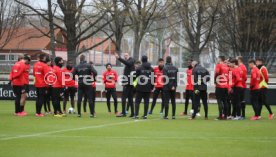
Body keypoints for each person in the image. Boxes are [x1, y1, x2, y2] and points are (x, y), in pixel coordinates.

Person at [115, 52, 135, 117]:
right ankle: (132, 113)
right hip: (129, 83)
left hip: (128, 83)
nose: (125, 56)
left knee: (123, 97)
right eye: (124, 56)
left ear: (129, 55)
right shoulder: (128, 63)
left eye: (126, 55)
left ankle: (124, 112)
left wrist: (119, 58)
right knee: (130, 98)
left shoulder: (131, 60)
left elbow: (128, 63)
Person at [214, 56, 229, 120]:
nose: (217, 60)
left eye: (218, 59)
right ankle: (225, 116)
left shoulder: (219, 65)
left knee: (219, 100)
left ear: (220, 59)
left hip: (220, 86)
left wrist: (215, 81)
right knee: (225, 101)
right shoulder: (226, 66)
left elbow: (217, 73)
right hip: (226, 85)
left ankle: (220, 116)